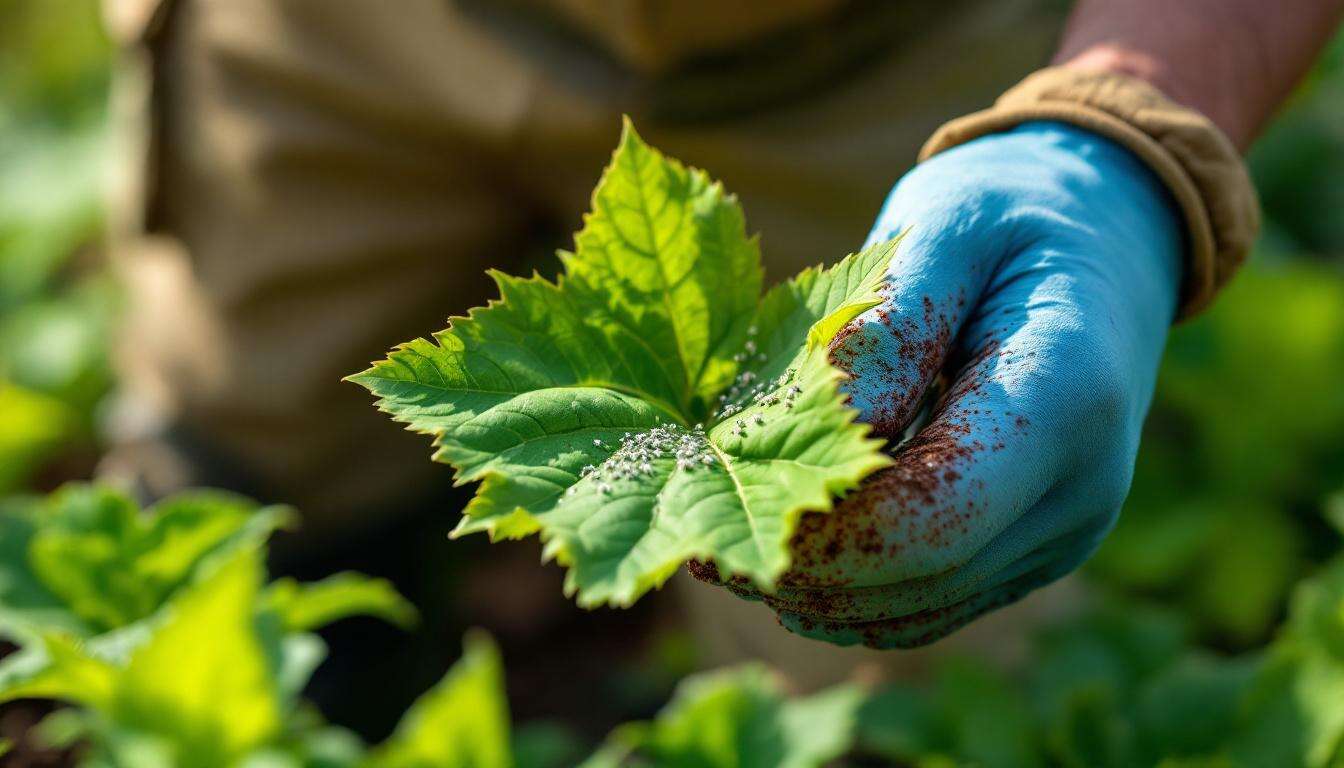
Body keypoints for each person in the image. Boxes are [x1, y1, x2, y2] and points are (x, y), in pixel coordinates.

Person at [98, 0, 1340, 694]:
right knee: (226, 483)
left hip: (891, 61)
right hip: (334, 36)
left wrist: (1125, 131)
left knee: (905, 620)